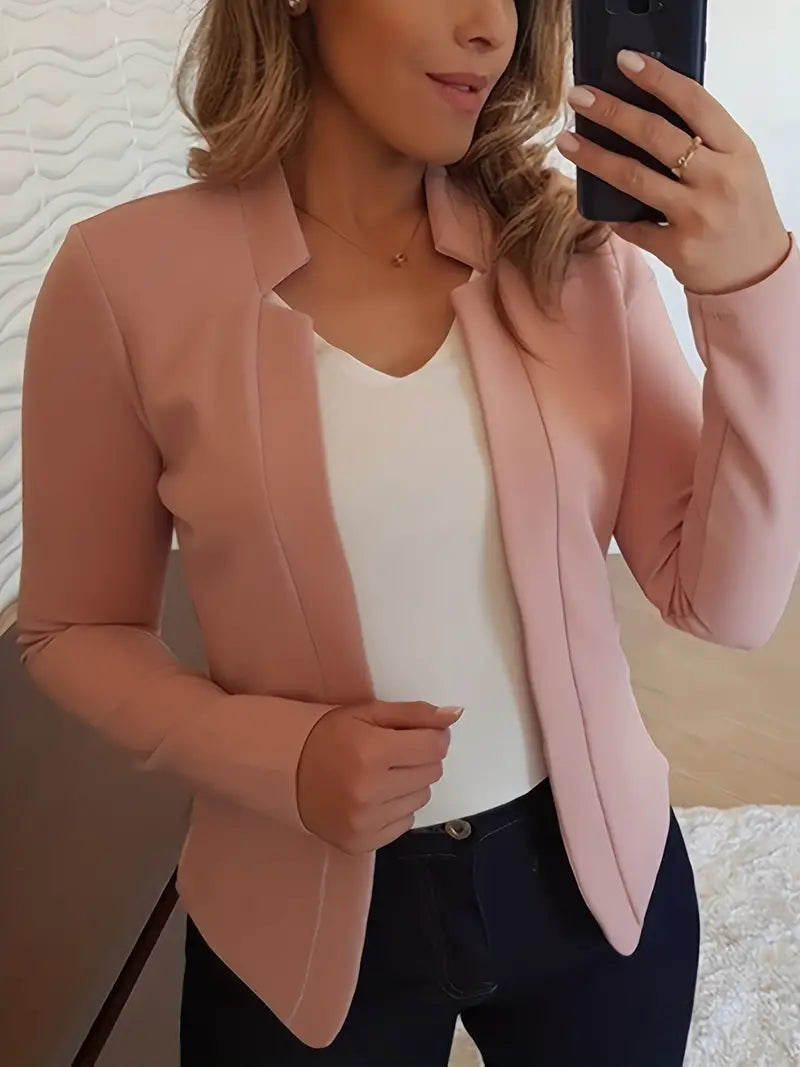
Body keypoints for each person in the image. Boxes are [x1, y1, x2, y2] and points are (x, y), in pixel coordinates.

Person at [17, 0, 799, 1064]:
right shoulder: (124, 281)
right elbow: (73, 628)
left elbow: (726, 604)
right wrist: (281, 756)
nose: (491, 28)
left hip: (594, 885)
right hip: (290, 912)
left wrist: (754, 292)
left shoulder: (573, 256)